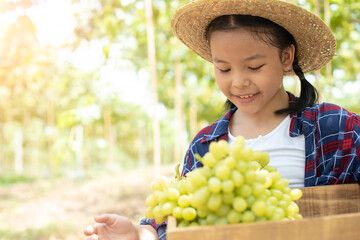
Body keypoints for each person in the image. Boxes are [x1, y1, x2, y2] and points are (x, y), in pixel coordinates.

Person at [83, 0, 360, 239]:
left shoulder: (336, 128)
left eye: (254, 66)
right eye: (223, 68)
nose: (238, 82)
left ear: (286, 57)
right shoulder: (205, 146)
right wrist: (142, 234)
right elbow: (184, 218)